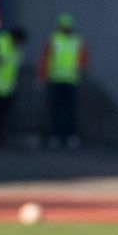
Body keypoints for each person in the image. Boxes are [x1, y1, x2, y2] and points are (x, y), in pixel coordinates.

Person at [41, 15, 86, 149]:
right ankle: (55, 136)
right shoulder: (54, 39)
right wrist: (43, 76)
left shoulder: (77, 41)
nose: (66, 29)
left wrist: (79, 66)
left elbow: (84, 60)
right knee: (56, 110)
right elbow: (46, 59)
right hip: (56, 80)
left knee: (70, 111)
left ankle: (70, 136)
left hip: (71, 81)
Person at [0, 26, 25, 145]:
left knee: (1, 116)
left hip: (7, 88)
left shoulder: (19, 50)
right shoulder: (0, 41)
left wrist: (14, 86)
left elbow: (15, 69)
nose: (19, 43)